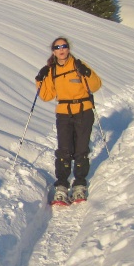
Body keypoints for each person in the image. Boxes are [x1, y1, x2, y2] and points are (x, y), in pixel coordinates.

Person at [35, 37, 102, 205]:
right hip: (64, 112)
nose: (61, 49)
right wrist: (39, 79)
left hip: (83, 110)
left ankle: (79, 184)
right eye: (57, 47)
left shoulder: (78, 65)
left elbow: (95, 86)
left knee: (81, 149)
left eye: (64, 46)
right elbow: (46, 95)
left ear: (68, 48)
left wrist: (86, 73)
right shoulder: (52, 70)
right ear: (53, 51)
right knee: (64, 150)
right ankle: (62, 186)